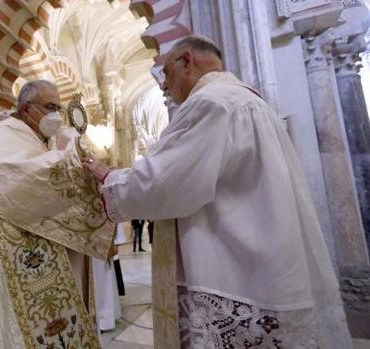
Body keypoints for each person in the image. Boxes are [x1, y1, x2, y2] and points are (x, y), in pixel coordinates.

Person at [82, 35, 352, 348]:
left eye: (166, 74)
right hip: (267, 264)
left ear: (186, 61)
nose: (164, 87)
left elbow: (166, 183)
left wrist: (111, 177)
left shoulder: (209, 103)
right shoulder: (250, 100)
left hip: (230, 270)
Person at [0, 80, 114, 349]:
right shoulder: (4, 133)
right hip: (15, 251)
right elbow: (19, 178)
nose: (56, 114)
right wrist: (70, 155)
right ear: (27, 108)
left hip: (55, 247)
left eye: (59, 107)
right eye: (50, 107)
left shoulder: (47, 139)